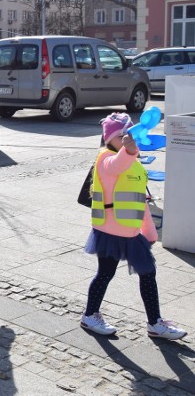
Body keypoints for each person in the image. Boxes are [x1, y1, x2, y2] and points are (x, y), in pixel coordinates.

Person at [79, 113, 187, 340]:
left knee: (148, 272)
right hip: (110, 231)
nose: (129, 137)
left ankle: (155, 324)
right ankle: (90, 316)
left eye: (130, 133)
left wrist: (148, 231)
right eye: (123, 135)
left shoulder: (133, 161)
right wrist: (128, 151)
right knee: (105, 274)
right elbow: (117, 164)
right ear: (111, 138)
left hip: (130, 230)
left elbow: (138, 198)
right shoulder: (105, 159)